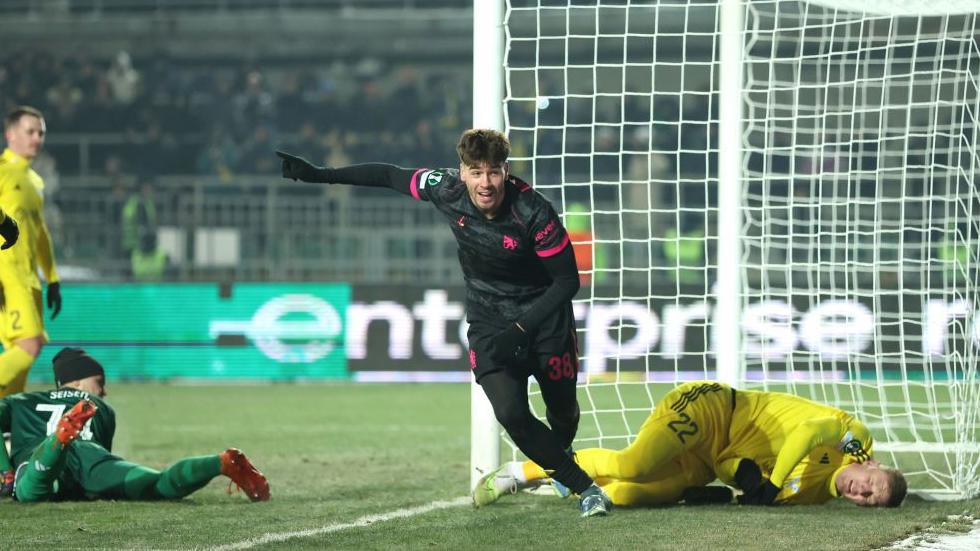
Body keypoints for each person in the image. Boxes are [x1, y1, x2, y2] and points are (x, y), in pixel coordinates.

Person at [276, 129, 612, 517]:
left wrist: (521, 329)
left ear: (505, 172)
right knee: (511, 414)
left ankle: (560, 452)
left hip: (544, 322)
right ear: (462, 172)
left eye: (494, 172)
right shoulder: (445, 188)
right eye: (476, 172)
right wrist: (321, 175)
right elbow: (388, 175)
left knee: (564, 413)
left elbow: (567, 281)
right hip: (488, 322)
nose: (485, 183)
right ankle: (585, 488)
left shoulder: (533, 211)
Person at [475, 380, 907, 508]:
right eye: (873, 484)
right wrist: (772, 481)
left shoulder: (810, 496)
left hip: (708, 457)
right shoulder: (857, 442)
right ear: (874, 465)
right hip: (714, 409)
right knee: (635, 465)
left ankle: (562, 482)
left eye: (870, 499)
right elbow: (805, 434)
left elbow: (735, 474)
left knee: (632, 495)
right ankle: (519, 472)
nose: (863, 492)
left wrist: (736, 487)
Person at [0, 347, 271, 503]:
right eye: (99, 382)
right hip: (92, 456)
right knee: (158, 485)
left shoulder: (21, 401)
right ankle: (222, 461)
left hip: (39, 456)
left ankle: (57, 441)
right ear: (79, 382)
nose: (103, 391)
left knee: (30, 491)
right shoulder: (102, 408)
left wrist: (5, 470)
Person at [0, 106, 62, 398]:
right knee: (29, 344)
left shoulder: (35, 182)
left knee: (19, 359)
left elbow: (40, 234)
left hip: (29, 277)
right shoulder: (3, 170)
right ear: (10, 134)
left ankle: (6, 434)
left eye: (41, 133)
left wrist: (53, 278)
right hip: (6, 273)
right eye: (30, 131)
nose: (37, 138)